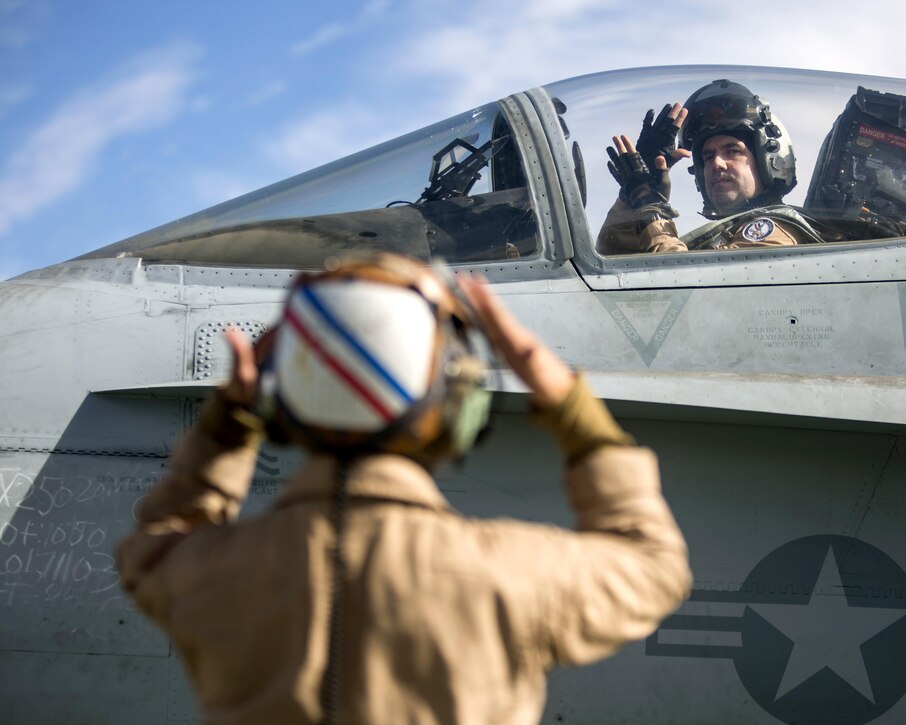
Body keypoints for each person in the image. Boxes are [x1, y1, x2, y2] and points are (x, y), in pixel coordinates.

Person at [116, 252, 691, 725]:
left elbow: (160, 542)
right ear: (457, 407)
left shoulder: (212, 577)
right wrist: (569, 405)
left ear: (284, 402)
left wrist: (227, 422)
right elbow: (654, 565)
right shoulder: (512, 579)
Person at [597, 80, 823, 255]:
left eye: (732, 151)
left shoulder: (776, 233)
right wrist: (632, 199)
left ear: (768, 161)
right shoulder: (725, 236)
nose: (716, 163)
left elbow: (689, 290)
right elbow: (613, 257)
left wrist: (650, 207)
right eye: (707, 156)